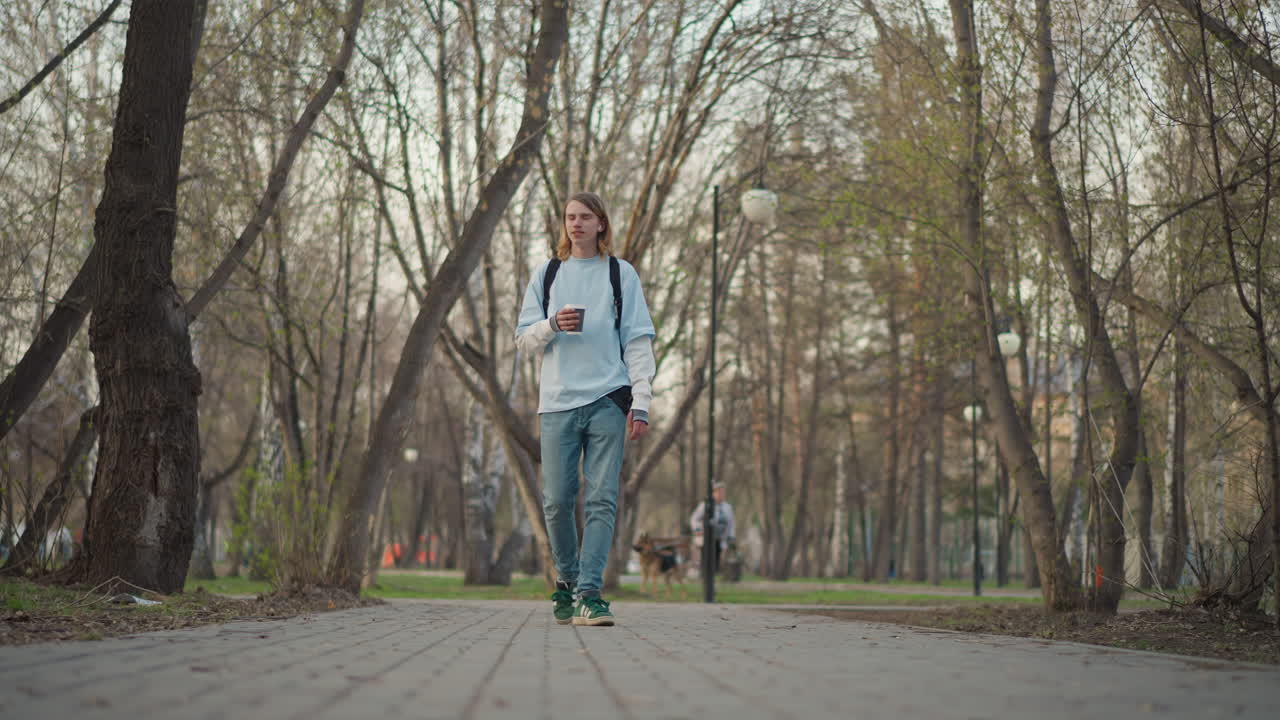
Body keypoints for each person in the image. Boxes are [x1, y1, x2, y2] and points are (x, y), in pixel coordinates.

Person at [515, 191, 656, 627]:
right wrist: (553, 324)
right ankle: (567, 580)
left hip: (607, 401)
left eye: (585, 217)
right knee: (557, 501)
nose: (576, 224)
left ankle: (591, 594)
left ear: (601, 224)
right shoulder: (548, 274)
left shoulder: (620, 274)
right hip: (557, 403)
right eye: (570, 217)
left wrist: (642, 402)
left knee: (602, 498)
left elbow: (637, 341)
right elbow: (522, 341)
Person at [690, 482, 735, 575]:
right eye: (719, 492)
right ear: (714, 493)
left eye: (723, 492)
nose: (722, 495)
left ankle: (714, 574)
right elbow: (695, 518)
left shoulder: (727, 507)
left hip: (720, 537)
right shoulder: (706, 505)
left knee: (716, 555)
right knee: (707, 556)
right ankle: (705, 574)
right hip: (706, 537)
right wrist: (698, 529)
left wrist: (731, 536)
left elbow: (731, 523)